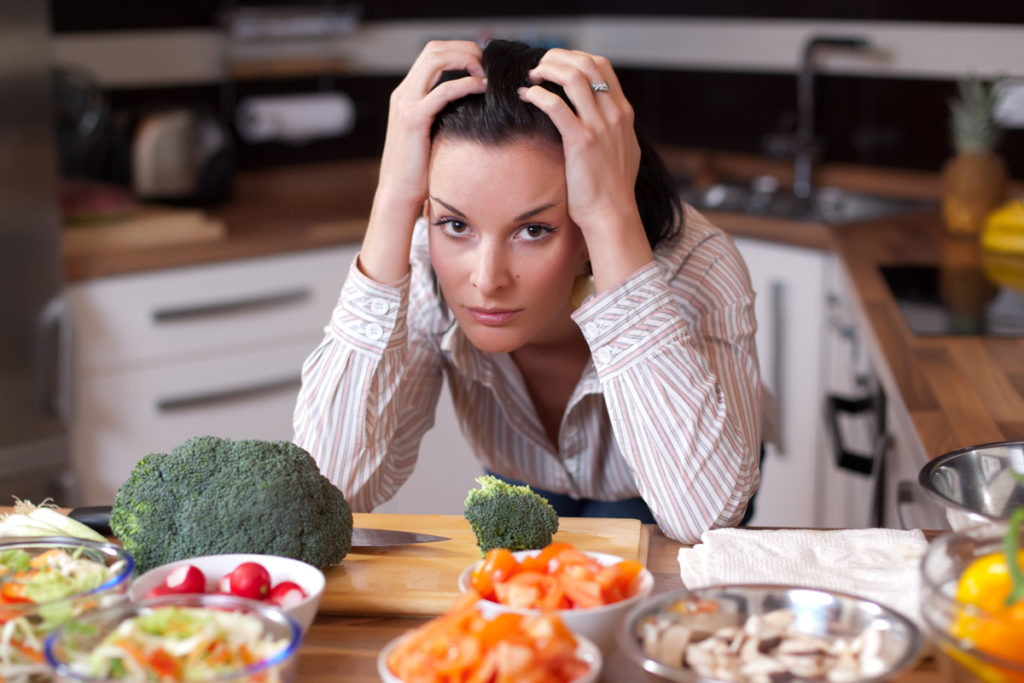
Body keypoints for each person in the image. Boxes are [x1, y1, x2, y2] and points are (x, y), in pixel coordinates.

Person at [293, 39, 762, 543]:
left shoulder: (695, 267)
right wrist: (391, 197)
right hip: (522, 476)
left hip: (673, 483)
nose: (486, 279)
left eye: (533, 230)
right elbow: (327, 492)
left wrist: (610, 217)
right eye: (455, 224)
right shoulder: (423, 260)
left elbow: (703, 518)